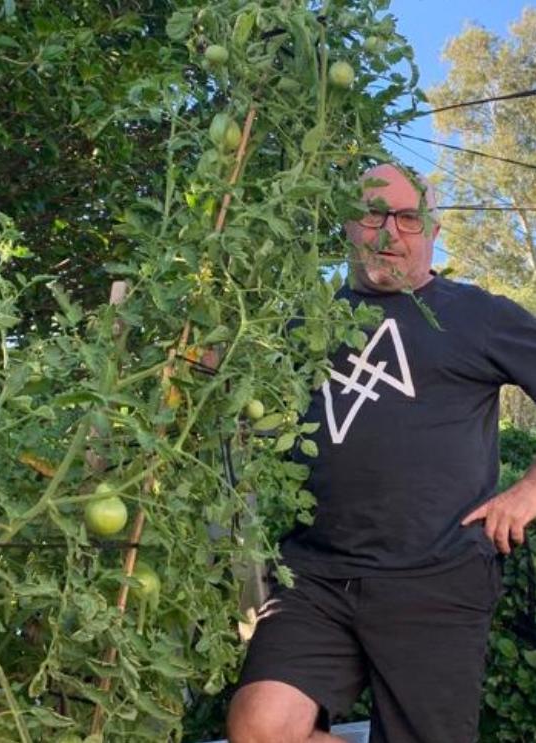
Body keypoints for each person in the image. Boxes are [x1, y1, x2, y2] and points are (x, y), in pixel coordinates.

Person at [226, 163, 536, 743]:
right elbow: (241, 394)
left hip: (436, 580)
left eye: (408, 218)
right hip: (316, 574)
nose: (389, 232)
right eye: (373, 214)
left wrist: (528, 492)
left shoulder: (479, 316)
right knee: (261, 729)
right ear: (348, 225)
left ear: (433, 232)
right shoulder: (306, 324)